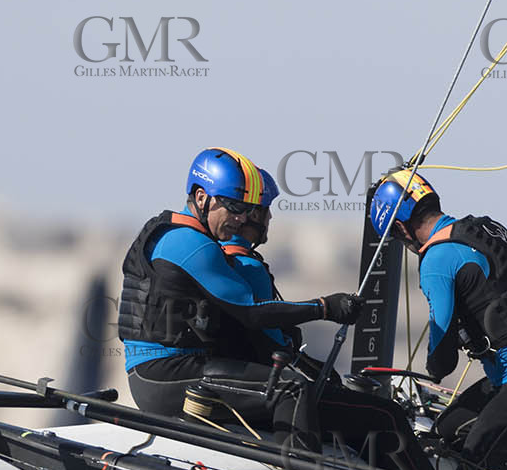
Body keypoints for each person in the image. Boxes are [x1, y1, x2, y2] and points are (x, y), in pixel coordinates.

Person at [215, 167, 444, 470]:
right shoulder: (249, 267)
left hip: (244, 388)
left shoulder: (222, 263)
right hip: (272, 397)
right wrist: (324, 311)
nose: (271, 219)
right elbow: (267, 339)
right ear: (252, 216)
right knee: (385, 415)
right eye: (266, 211)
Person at [118, 147, 360, 435]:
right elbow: (252, 313)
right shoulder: (191, 244)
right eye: (234, 207)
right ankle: (297, 467)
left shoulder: (172, 231)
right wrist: (325, 307)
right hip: (166, 375)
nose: (242, 219)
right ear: (201, 197)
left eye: (247, 210)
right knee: (291, 389)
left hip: (159, 374)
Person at [369, 168, 507, 470]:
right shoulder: (479, 229)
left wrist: (435, 365)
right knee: (446, 435)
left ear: (400, 227)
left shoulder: (436, 260)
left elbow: (443, 360)